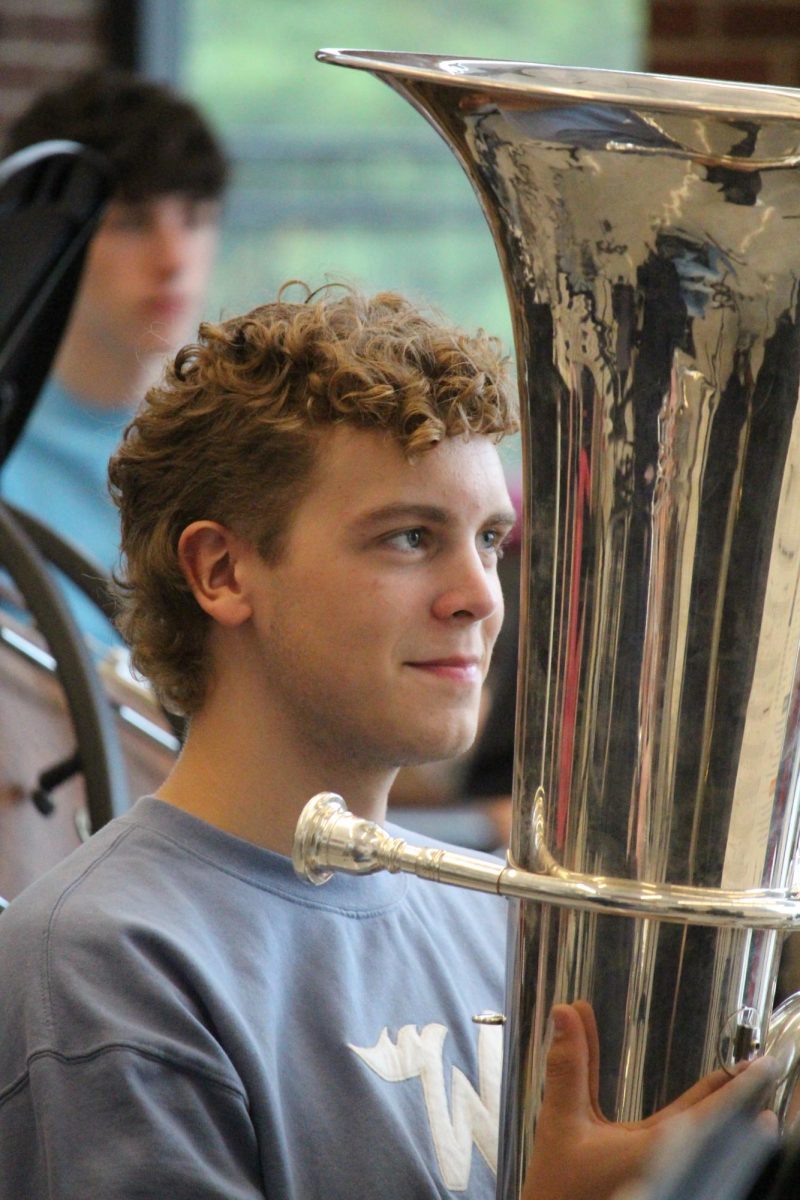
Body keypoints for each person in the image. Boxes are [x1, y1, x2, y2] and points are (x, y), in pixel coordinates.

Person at [0, 285, 776, 1198]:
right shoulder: (106, 963)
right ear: (221, 570)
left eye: (490, 540)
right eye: (410, 538)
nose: (482, 596)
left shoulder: (499, 927)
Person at [0, 67, 228, 649]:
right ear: (54, 237)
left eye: (195, 218)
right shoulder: (12, 453)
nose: (174, 257)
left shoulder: (239, 445)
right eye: (130, 222)